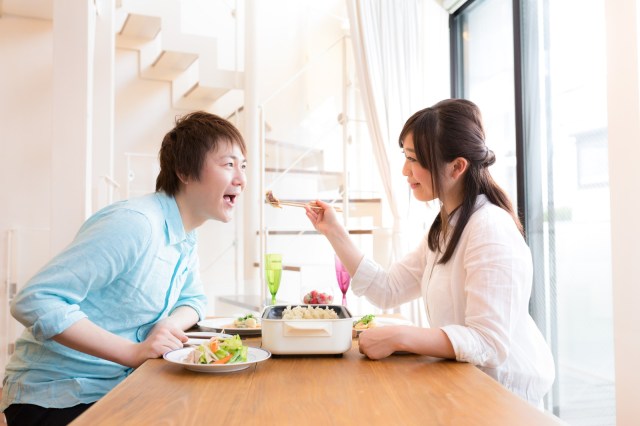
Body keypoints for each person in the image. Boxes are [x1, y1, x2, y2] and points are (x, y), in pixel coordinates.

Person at [0, 111, 247, 426]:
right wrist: (133, 352)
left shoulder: (185, 234)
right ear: (184, 171)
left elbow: (194, 300)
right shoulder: (137, 224)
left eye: (243, 166)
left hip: (120, 386)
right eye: (228, 164)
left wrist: (167, 326)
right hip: (58, 396)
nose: (241, 179)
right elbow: (34, 300)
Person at [305, 98, 555, 406]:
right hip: (465, 388)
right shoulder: (447, 226)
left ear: (457, 167)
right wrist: (333, 230)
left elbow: (488, 342)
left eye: (413, 159)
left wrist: (400, 337)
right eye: (405, 156)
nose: (404, 170)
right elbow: (388, 289)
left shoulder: (490, 229)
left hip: (504, 400)